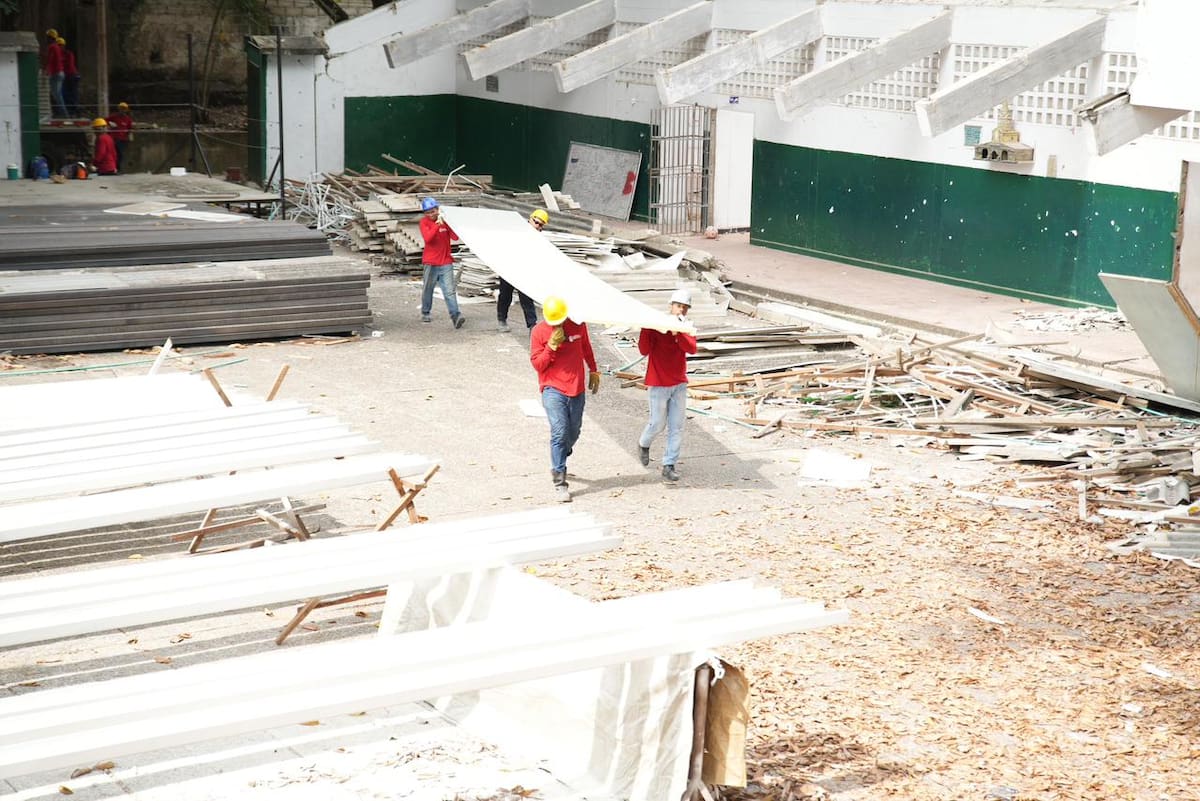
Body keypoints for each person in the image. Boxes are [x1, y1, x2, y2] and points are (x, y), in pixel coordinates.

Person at [530, 296, 601, 502]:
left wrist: (594, 370)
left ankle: (562, 449)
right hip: (553, 389)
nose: (557, 325)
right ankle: (559, 480)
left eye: (560, 321)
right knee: (559, 432)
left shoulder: (578, 325)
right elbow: (538, 365)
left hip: (576, 388)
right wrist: (551, 347)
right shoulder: (539, 332)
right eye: (554, 323)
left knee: (573, 431)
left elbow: (586, 347)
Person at [637, 288, 698, 482]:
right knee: (657, 423)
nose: (681, 311)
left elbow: (692, 348)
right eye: (678, 306)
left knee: (677, 427)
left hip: (678, 382)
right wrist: (647, 328)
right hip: (659, 382)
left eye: (685, 308)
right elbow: (643, 350)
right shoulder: (655, 326)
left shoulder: (686, 327)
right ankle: (644, 443)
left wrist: (678, 332)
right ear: (670, 306)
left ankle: (669, 464)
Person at [418, 197, 465, 328]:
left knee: (449, 290)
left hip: (445, 261)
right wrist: (436, 225)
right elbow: (428, 238)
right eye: (428, 212)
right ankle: (425, 312)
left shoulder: (444, 222)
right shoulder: (424, 223)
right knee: (428, 288)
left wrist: (450, 222)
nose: (431, 214)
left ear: (438, 210)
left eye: (433, 211)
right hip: (431, 262)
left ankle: (456, 315)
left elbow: (455, 237)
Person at [496, 209, 546, 332]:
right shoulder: (516, 230)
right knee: (505, 296)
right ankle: (502, 320)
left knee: (527, 299)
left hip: (525, 272)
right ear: (530, 219)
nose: (537, 226)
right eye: (536, 222)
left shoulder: (539, 239)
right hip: (508, 268)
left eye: (540, 225)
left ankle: (532, 327)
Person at [45, 30, 65, 118]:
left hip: (55, 73)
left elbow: (51, 59)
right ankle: (60, 113)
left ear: (50, 37)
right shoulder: (56, 47)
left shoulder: (52, 47)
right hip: (60, 73)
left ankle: (63, 115)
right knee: (57, 94)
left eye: (47, 37)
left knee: (56, 95)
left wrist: (47, 70)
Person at [108, 102, 134, 171]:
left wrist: (129, 138)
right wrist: (110, 124)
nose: (122, 110)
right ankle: (114, 167)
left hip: (123, 140)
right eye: (121, 108)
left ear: (126, 110)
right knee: (115, 153)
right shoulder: (114, 117)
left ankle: (117, 168)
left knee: (120, 154)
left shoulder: (128, 119)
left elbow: (130, 129)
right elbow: (105, 121)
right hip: (114, 139)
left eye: (124, 109)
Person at [60, 38, 80, 117]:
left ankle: (73, 111)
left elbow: (70, 65)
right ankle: (69, 111)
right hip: (65, 77)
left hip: (71, 75)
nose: (59, 47)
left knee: (72, 94)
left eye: (60, 46)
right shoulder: (59, 54)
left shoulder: (68, 54)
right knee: (65, 94)